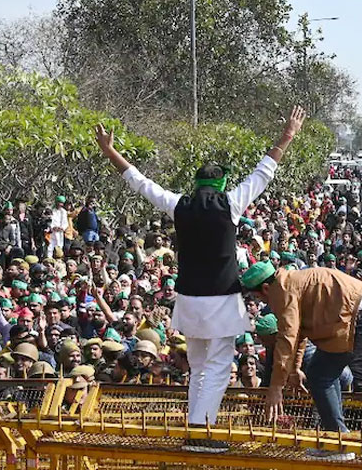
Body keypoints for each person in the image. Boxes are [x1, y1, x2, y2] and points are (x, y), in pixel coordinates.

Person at [93, 105, 305, 454]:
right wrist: (286, 137)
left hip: (189, 302)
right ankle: (201, 433)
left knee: (199, 367)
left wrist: (110, 151)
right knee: (218, 368)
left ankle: (197, 429)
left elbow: (141, 182)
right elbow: (263, 173)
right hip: (221, 302)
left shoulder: (179, 205)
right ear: (220, 183)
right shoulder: (231, 203)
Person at [242, 262, 362, 461]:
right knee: (322, 374)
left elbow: (288, 338)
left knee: (319, 376)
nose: (264, 304)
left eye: (259, 298)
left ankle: (340, 442)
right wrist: (295, 369)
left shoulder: (283, 290)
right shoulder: (291, 282)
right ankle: (337, 438)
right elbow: (300, 333)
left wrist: (276, 387)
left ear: (265, 288)